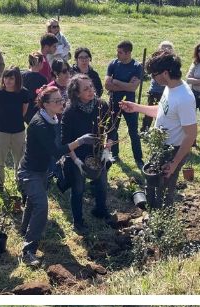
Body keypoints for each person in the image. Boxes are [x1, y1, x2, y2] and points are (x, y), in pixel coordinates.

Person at [20, 85, 97, 266]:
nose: (62, 103)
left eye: (62, 99)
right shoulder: (40, 124)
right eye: (56, 101)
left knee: (33, 202)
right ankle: (28, 251)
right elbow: (55, 151)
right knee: (41, 206)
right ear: (45, 104)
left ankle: (24, 230)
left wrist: (76, 157)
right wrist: (80, 141)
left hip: (42, 170)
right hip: (29, 172)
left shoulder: (53, 118)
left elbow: (60, 143)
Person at [119, 50, 198, 208]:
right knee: (152, 182)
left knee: (165, 189)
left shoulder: (184, 98)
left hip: (173, 150)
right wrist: (136, 107)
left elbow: (191, 135)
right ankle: (152, 211)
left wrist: (174, 163)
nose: (153, 78)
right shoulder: (170, 88)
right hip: (160, 146)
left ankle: (163, 218)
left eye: (154, 75)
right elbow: (162, 111)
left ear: (165, 73)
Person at [62, 74, 112, 228]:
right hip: (78, 154)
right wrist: (76, 161)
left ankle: (100, 210)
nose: (91, 90)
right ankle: (78, 221)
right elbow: (65, 142)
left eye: (91, 86)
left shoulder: (101, 105)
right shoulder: (70, 112)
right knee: (78, 188)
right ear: (77, 93)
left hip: (97, 153)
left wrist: (107, 149)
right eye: (85, 89)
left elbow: (111, 129)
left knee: (102, 183)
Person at [0, 67, 33, 195]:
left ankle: (19, 179)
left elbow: (24, 111)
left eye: (11, 78)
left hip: (18, 131)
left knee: (19, 157)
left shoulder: (23, 93)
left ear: (17, 79)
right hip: (1, 131)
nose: (8, 81)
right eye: (6, 77)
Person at [106, 40, 145, 168]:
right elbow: (107, 85)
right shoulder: (113, 64)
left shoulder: (137, 67)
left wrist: (116, 81)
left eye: (120, 52)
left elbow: (133, 88)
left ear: (128, 53)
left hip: (130, 104)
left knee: (133, 132)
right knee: (112, 129)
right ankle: (114, 154)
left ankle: (138, 159)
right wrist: (126, 85)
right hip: (114, 102)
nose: (117, 54)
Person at [140, 41, 175, 132]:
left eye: (168, 48)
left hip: (166, 93)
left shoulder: (172, 63)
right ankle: (144, 131)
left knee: (163, 114)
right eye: (163, 48)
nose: (165, 50)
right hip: (154, 91)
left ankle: (160, 131)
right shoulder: (156, 61)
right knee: (149, 113)